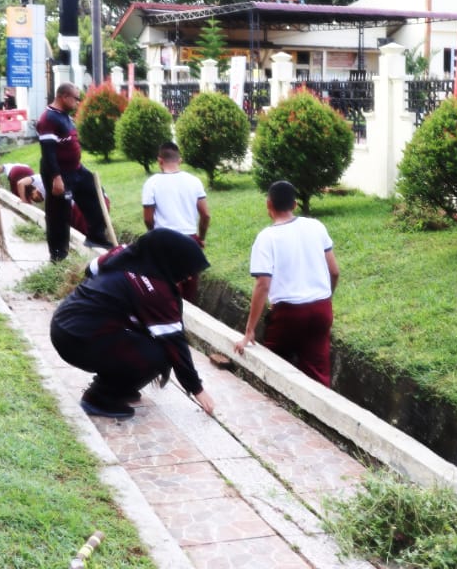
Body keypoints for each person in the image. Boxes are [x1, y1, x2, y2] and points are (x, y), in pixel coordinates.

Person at [50, 229, 216, 420]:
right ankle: (99, 398)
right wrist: (197, 389)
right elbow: (175, 344)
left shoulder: (124, 252)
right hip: (79, 340)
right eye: (186, 271)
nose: (187, 278)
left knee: (143, 337)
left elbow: (91, 269)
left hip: (63, 323)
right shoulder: (154, 289)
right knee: (159, 354)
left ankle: (118, 387)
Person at [234, 180, 340, 387]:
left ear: (268, 205)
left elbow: (263, 284)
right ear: (294, 205)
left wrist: (249, 331)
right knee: (317, 373)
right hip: (321, 309)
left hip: (288, 314)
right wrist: (326, 298)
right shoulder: (316, 226)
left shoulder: (267, 238)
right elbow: (334, 271)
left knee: (274, 368)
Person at [36, 82, 113, 262]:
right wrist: (56, 178)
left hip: (77, 170)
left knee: (97, 196)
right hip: (59, 174)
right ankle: (58, 255)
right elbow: (48, 152)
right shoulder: (48, 119)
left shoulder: (64, 116)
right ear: (63, 96)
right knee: (59, 215)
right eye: (76, 99)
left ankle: (95, 236)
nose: (78, 102)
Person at [141, 141, 210, 302]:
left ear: (159, 161)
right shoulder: (194, 181)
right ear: (180, 160)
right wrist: (201, 238)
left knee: (166, 290)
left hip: (164, 241)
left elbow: (148, 218)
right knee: (189, 292)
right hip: (189, 241)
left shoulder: (152, 183)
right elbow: (206, 215)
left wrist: (153, 234)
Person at [0, 162, 110, 239]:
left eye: (35, 198)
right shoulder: (49, 191)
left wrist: (24, 200)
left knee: (87, 230)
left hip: (88, 202)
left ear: (34, 191)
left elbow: (20, 183)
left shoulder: (39, 179)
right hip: (88, 201)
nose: (38, 199)